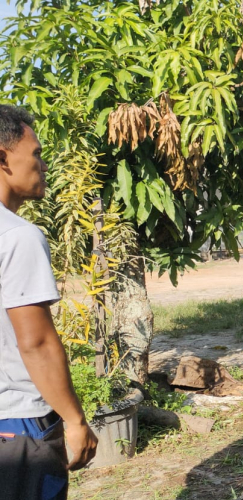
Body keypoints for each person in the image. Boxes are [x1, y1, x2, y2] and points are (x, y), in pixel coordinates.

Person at [0, 105, 97, 500]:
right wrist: (74, 420)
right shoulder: (18, 236)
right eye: (36, 153)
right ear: (3, 158)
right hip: (20, 424)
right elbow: (35, 342)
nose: (43, 163)